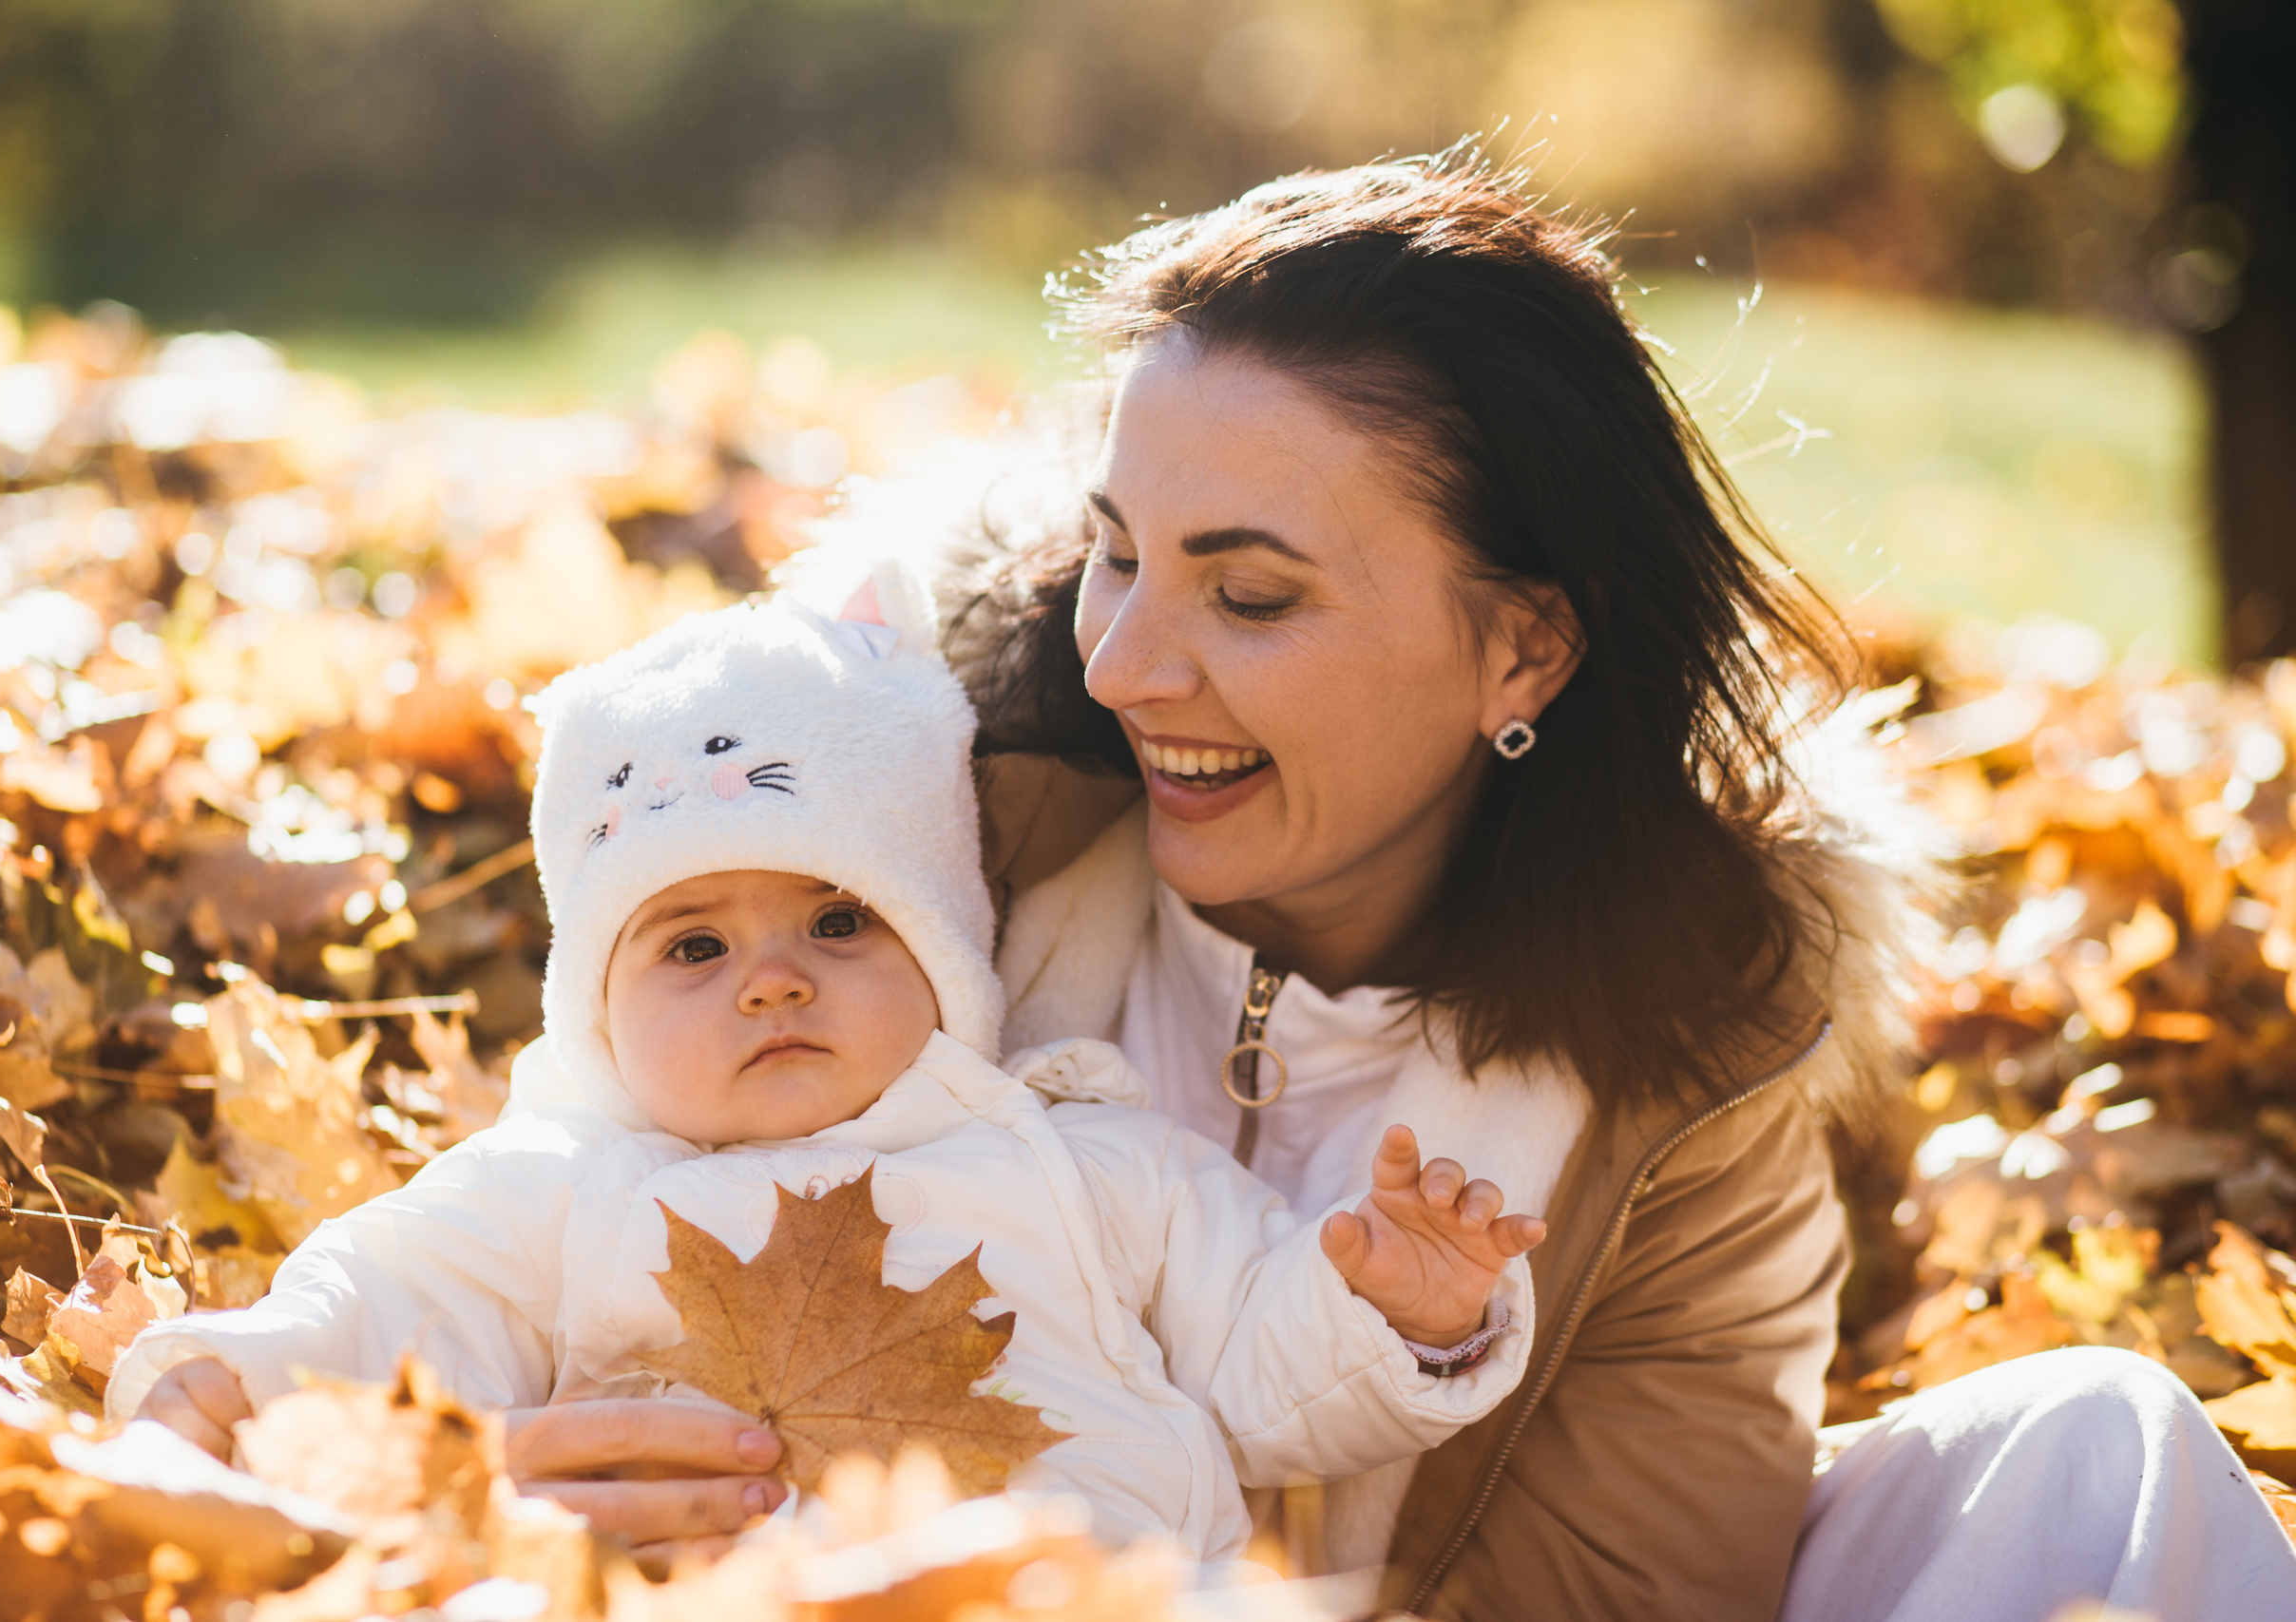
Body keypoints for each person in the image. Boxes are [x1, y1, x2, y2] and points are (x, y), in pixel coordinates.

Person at [497, 154, 2296, 1620]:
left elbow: (1631, 1595)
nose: (1125, 666)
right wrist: (518, 1462)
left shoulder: (1691, 1031)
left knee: (2096, 1444)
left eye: (1251, 597)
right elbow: (557, 1165)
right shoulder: (930, 823)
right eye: (1115, 557)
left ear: (1521, 652)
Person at [107, 574, 1552, 1561]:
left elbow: (1260, 1365)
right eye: (690, 949)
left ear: (947, 954)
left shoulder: (1083, 1156)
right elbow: (384, 1302)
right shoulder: (563, 1184)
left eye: (840, 920)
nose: (776, 977)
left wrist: (1390, 1310)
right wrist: (242, 1384)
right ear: (599, 1005)